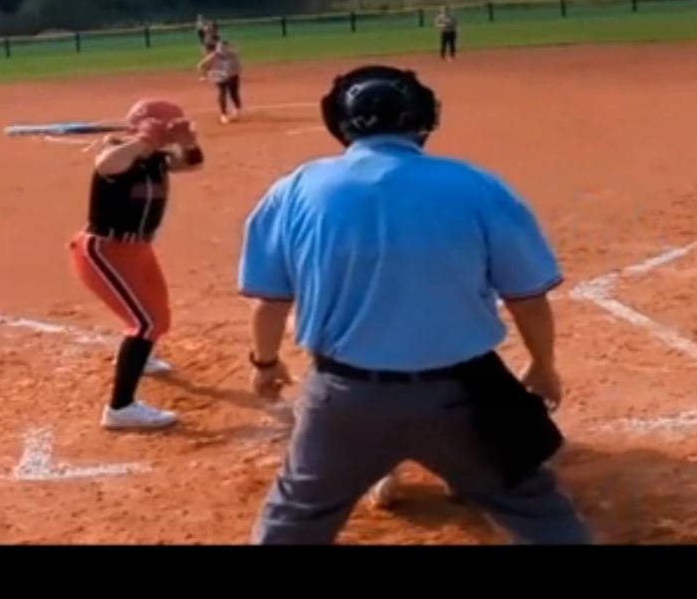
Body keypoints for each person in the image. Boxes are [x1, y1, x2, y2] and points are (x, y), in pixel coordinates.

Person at [236, 64, 591, 545]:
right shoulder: (475, 185)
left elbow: (270, 302)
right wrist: (542, 365)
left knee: (296, 518)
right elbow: (527, 296)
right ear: (423, 118)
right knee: (534, 508)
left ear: (338, 122)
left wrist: (265, 362)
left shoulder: (294, 189)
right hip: (463, 396)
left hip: (343, 400)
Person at [68, 97, 202, 430]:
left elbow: (192, 164)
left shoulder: (156, 158)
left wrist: (188, 143)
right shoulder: (119, 151)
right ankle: (120, 408)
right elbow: (106, 164)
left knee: (159, 315)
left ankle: (143, 357)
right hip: (104, 250)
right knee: (145, 322)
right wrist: (143, 140)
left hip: (138, 248)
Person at [197, 38, 243, 123]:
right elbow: (201, 65)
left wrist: (231, 75)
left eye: (224, 48)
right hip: (220, 77)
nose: (222, 50)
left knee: (234, 93)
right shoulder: (214, 55)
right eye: (221, 48)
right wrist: (204, 75)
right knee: (222, 93)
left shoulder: (233, 55)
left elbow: (238, 67)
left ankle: (236, 110)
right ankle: (223, 114)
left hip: (232, 76)